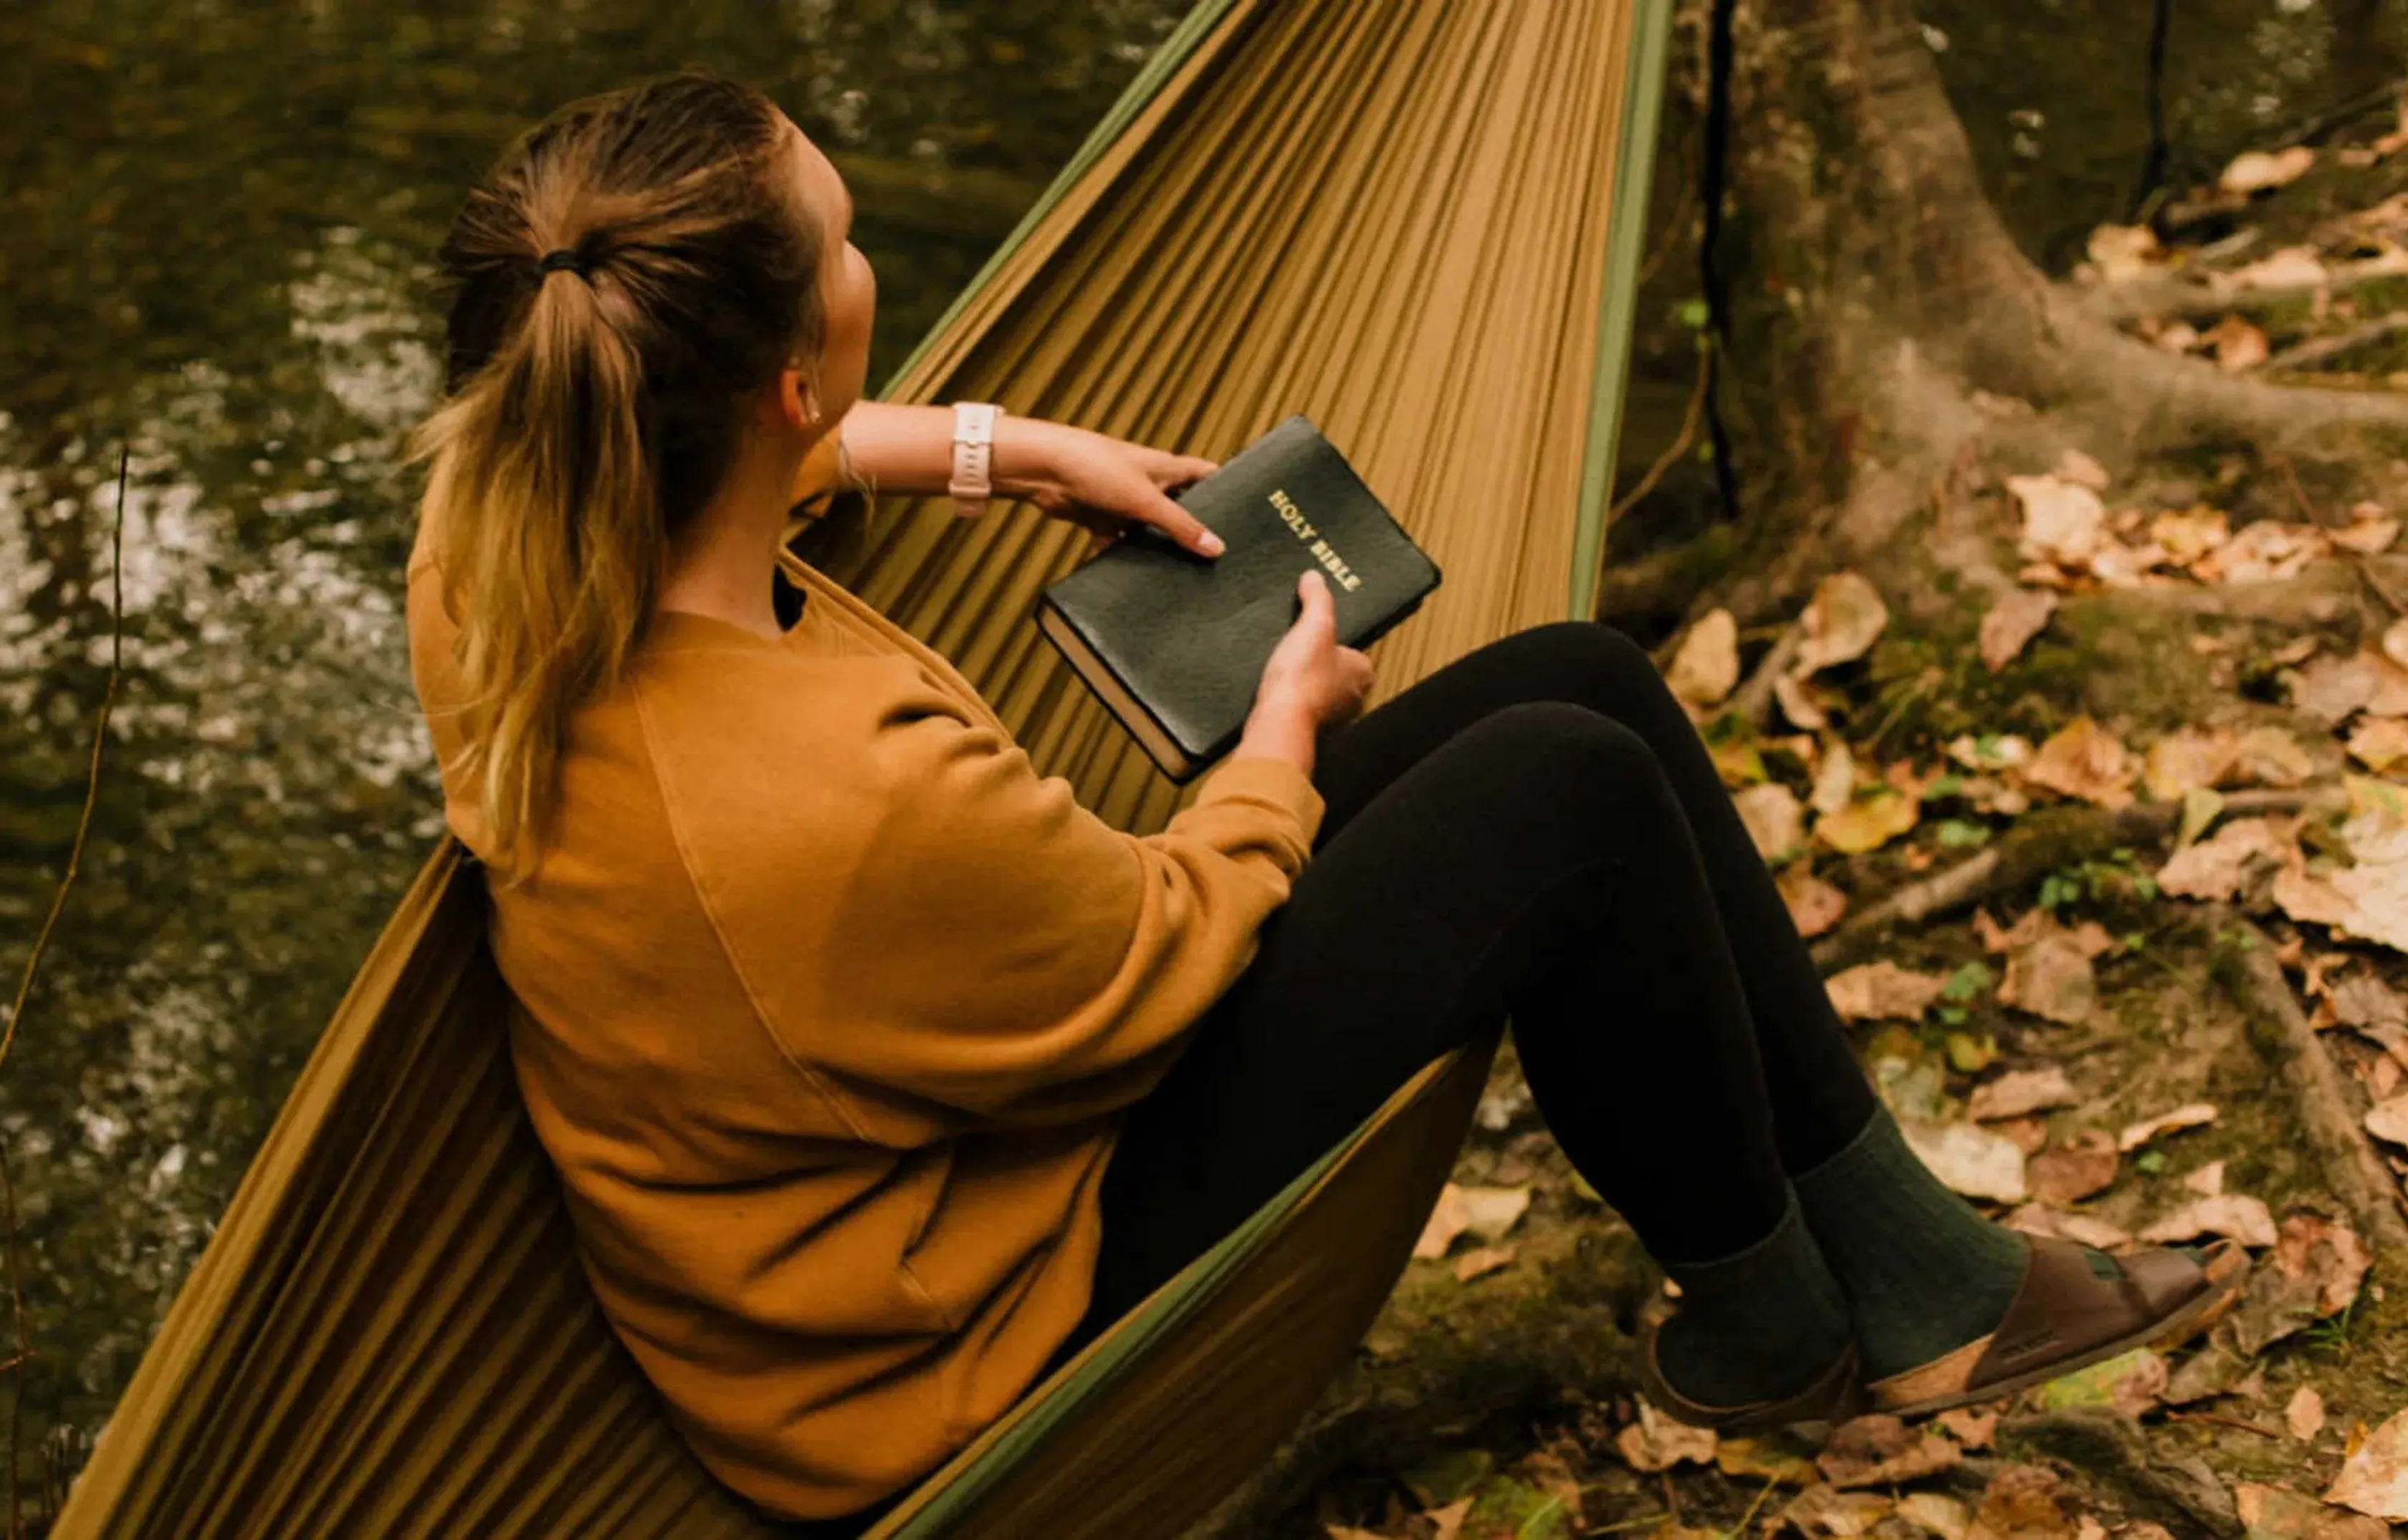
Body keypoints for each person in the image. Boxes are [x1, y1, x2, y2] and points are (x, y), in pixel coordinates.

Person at [402, 69, 2248, 1531]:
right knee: (1568, 792)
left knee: (1582, 683)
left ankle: (1907, 1280)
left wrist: (987, 449)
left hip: (895, 1159)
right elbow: (1157, 948)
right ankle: (1783, 1328)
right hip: (956, 1311)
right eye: (848, 238)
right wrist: (1282, 726)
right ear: (787, 377)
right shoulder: (840, 797)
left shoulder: (505, 562)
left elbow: (723, 442)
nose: (868, 257)